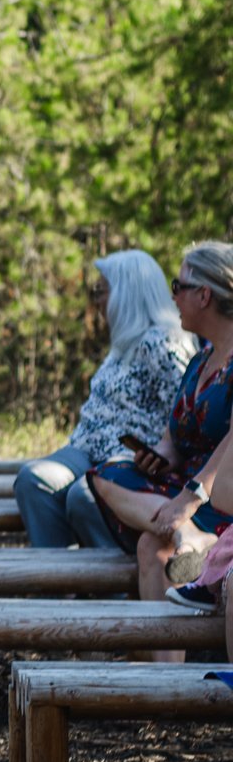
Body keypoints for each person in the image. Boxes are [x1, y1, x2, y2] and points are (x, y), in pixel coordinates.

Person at [89, 241, 233, 628]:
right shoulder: (200, 360)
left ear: (204, 295)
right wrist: (161, 454)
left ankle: (192, 535)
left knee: (152, 544)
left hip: (219, 494)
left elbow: (231, 444)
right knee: (108, 474)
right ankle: (187, 535)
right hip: (184, 490)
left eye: (178, 286)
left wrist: (191, 497)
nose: (172, 297)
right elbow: (174, 433)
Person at [16, 251, 196, 549]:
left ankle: (111, 575)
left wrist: (163, 456)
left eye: (101, 291)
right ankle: (55, 573)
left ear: (126, 293)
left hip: (125, 456)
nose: (97, 301)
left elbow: (185, 411)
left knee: (84, 496)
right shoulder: (122, 344)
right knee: (33, 479)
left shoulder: (161, 342)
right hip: (86, 449)